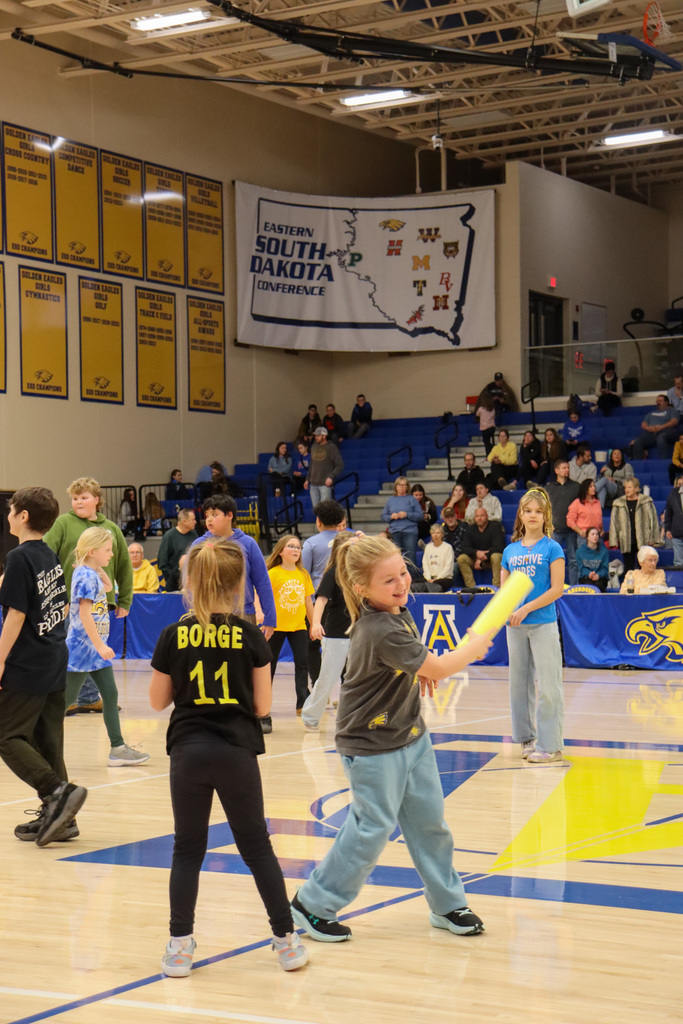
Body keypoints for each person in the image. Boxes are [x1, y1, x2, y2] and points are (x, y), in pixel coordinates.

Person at [290, 535, 492, 944]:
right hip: (371, 745)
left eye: (403, 573)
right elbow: (436, 664)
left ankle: (447, 903)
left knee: (429, 824)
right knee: (370, 829)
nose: (401, 584)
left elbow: (418, 663)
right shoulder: (379, 627)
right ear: (363, 588)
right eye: (389, 580)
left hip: (410, 734)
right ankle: (312, 904)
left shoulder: (398, 613)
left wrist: (419, 672)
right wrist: (471, 649)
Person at [149, 539, 309, 978]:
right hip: (236, 751)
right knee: (256, 847)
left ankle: (179, 947)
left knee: (187, 849)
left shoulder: (173, 633)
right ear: (239, 584)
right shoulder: (250, 634)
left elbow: (157, 701)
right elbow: (261, 707)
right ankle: (286, 941)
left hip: (187, 751)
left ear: (192, 582)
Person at [0, 487, 87, 847]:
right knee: (49, 742)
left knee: (7, 735)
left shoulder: (19, 556)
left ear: (23, 517)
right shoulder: (47, 554)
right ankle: (62, 820)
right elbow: (57, 606)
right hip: (54, 655)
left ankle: (56, 793)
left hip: (28, 662)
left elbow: (17, 614)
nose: (7, 515)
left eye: (11, 510)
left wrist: (1, 659)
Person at [44, 476, 134, 714]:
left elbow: (124, 564)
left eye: (84, 497)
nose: (78, 502)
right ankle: (67, 697)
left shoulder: (112, 528)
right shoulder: (63, 523)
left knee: (96, 647)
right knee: (71, 647)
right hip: (67, 602)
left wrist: (124, 599)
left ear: (97, 499)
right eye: (74, 498)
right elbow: (45, 553)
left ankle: (90, 697)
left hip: (103, 601)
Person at [64, 527, 150, 766]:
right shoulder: (84, 576)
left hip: (94, 649)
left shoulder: (91, 573)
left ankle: (118, 748)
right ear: (92, 551)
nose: (112, 554)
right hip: (83, 648)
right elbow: (84, 613)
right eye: (108, 550)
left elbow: (109, 588)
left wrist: (97, 567)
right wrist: (100, 644)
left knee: (110, 694)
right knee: (64, 700)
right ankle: (31, 741)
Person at [501, 487, 565, 765]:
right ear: (521, 514)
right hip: (514, 627)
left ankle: (551, 746)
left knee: (549, 686)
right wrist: (504, 611)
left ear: (546, 515)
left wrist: (525, 608)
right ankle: (527, 739)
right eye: (528, 510)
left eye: (539, 511)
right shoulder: (509, 550)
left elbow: (557, 589)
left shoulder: (553, 547)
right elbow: (503, 591)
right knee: (519, 685)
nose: (533, 515)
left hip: (542, 624)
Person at [193, 494, 276, 649]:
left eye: (214, 514)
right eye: (207, 516)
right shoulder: (199, 545)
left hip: (244, 612)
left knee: (244, 664)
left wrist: (270, 618)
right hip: (208, 613)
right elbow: (191, 582)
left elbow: (262, 582)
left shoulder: (248, 543)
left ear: (229, 515)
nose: (209, 519)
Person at [301, 532, 355, 731]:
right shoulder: (332, 573)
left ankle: (353, 714)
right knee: (328, 678)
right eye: (351, 547)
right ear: (341, 551)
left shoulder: (360, 572)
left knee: (356, 676)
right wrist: (315, 623)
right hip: (336, 634)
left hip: (358, 632)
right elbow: (321, 600)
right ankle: (310, 716)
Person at [266, 535, 315, 718]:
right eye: (291, 546)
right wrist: (264, 620)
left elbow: (308, 601)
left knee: (302, 663)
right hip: (275, 627)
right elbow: (263, 599)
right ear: (280, 551)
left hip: (298, 626)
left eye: (298, 547)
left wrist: (313, 624)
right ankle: (263, 704)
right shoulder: (272, 574)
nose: (296, 550)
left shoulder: (303, 574)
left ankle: (302, 703)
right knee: (269, 665)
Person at [608, 477, 660, 572]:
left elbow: (654, 521)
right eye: (626, 487)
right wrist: (613, 540)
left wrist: (653, 538)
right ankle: (629, 587)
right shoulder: (618, 503)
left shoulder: (646, 501)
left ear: (636, 488)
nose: (627, 490)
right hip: (627, 541)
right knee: (629, 569)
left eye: (630, 487)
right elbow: (614, 522)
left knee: (645, 568)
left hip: (644, 540)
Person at [546, 459, 580, 584]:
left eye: (568, 467)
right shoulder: (549, 488)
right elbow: (545, 508)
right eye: (564, 467)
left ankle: (573, 587)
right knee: (554, 560)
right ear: (556, 470)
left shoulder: (576, 486)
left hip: (572, 529)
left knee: (573, 560)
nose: (567, 470)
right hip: (555, 529)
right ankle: (554, 586)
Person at [457, 507, 504, 587]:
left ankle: (496, 588)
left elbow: (499, 547)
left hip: (491, 559)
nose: (479, 518)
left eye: (482, 516)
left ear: (487, 516)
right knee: (461, 558)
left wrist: (484, 556)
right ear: (474, 518)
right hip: (476, 559)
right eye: (477, 516)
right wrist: (476, 553)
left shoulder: (495, 527)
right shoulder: (470, 529)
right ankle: (471, 588)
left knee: (496, 556)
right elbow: (464, 547)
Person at [380, 476, 423, 563]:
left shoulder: (412, 499)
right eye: (400, 485)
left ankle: (413, 576)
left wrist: (407, 515)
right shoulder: (390, 500)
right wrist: (391, 516)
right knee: (394, 558)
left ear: (407, 487)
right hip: (394, 532)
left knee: (410, 559)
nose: (402, 487)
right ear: (396, 487)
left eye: (404, 485)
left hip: (410, 531)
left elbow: (420, 516)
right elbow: (383, 516)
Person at [158, 509, 198, 592]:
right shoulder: (169, 536)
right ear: (184, 521)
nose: (195, 522)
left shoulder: (194, 534)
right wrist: (172, 578)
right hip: (174, 584)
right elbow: (162, 561)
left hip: (193, 582)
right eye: (193, 519)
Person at [304, 427, 343, 506]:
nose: (316, 437)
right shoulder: (314, 446)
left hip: (324, 483)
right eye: (315, 435)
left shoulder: (331, 447)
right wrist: (307, 479)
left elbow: (339, 464)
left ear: (324, 436)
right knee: (316, 509)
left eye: (318, 435)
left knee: (325, 509)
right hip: (313, 483)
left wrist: (331, 477)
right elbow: (312, 464)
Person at [632, 395, 680, 460]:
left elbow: (674, 421)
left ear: (666, 402)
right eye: (657, 401)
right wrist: (648, 428)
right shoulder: (651, 413)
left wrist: (661, 427)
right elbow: (643, 424)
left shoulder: (672, 411)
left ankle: (663, 462)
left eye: (660, 401)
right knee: (637, 441)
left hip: (667, 432)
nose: (658, 402)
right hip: (651, 433)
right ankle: (637, 464)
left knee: (661, 437)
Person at [422, 524, 455, 591]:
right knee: (415, 584)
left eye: (438, 533)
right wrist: (428, 578)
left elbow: (448, 568)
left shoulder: (448, 547)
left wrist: (436, 579)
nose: (435, 535)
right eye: (433, 533)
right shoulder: (428, 547)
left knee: (435, 586)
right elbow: (425, 564)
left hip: (444, 579)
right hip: (430, 578)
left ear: (442, 535)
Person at [575, 526, 609, 591]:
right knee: (588, 586)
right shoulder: (579, 551)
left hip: (600, 577)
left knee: (599, 585)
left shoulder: (604, 551)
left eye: (597, 534)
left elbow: (604, 568)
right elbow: (581, 568)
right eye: (592, 534)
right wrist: (589, 574)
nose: (595, 536)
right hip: (586, 577)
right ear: (587, 537)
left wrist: (598, 575)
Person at [664, 475, 683, 566]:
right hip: (677, 533)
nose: (681, 486)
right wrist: (667, 528)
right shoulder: (673, 494)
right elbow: (669, 513)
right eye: (679, 484)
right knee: (678, 563)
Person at [474, 391, 496, 455]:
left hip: (485, 428)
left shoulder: (481, 409)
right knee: (488, 441)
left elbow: (477, 414)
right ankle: (492, 451)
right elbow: (493, 417)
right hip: (492, 427)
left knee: (486, 442)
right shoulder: (492, 409)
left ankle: (490, 453)